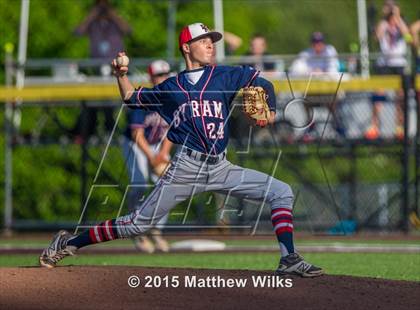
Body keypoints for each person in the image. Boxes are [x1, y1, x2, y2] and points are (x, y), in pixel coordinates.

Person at [39, 22, 323, 277]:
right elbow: (129, 97)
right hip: (186, 168)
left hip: (221, 167)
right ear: (187, 48)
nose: (210, 44)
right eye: (203, 40)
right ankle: (68, 243)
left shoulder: (225, 76)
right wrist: (120, 73)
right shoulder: (172, 87)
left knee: (281, 191)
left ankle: (288, 258)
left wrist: (270, 111)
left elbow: (262, 82)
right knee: (136, 224)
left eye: (212, 40)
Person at [122, 60, 173, 253]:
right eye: (159, 75)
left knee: (169, 184)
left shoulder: (172, 98)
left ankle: (157, 231)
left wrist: (163, 153)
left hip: (159, 145)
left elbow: (173, 130)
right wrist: (152, 158)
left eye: (165, 74)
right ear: (151, 77)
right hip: (135, 144)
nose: (162, 78)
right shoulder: (144, 98)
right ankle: (137, 231)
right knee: (139, 183)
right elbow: (137, 134)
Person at [72, 0, 132, 141]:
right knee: (95, 101)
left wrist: (112, 13)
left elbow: (128, 30)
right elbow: (78, 31)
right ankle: (96, 131)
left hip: (116, 70)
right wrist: (93, 14)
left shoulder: (115, 23)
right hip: (97, 71)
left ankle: (113, 129)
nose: (102, 9)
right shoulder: (93, 24)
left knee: (116, 100)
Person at [365, 2, 410, 140]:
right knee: (378, 95)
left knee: (400, 97)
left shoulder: (402, 22)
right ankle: (374, 126)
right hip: (384, 64)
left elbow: (407, 36)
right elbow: (377, 37)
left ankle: (400, 127)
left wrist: (397, 16)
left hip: (398, 63)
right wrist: (385, 19)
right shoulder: (383, 23)